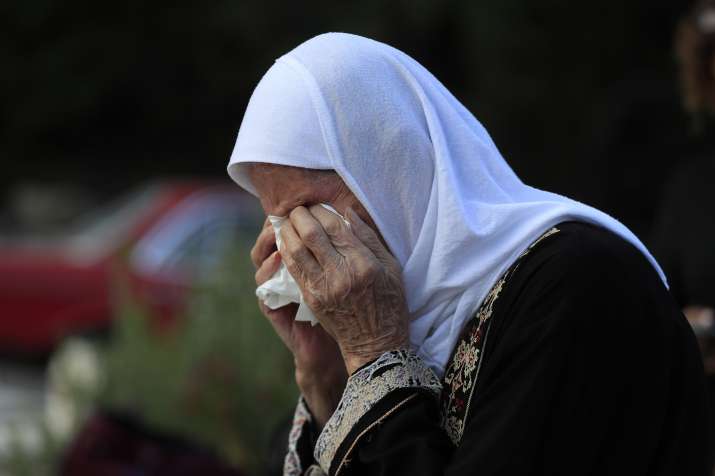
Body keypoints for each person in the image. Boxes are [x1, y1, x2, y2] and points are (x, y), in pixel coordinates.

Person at [227, 33, 708, 475]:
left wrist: (374, 352)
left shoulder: (576, 284)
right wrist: (327, 384)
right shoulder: (411, 318)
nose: (295, 248)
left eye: (308, 215)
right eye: (278, 223)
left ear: (394, 172)